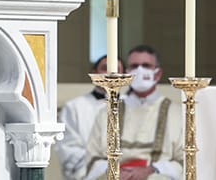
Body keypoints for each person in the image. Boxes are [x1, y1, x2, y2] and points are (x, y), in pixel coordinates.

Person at [84, 45, 183, 180]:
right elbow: (92, 159)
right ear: (127, 72)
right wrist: (115, 170)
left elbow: (185, 161)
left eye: (146, 65)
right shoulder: (107, 113)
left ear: (158, 73)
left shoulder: (177, 114)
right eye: (134, 66)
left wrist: (152, 169)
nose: (140, 70)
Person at [55, 55, 123, 180]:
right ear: (94, 73)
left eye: (117, 70)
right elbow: (68, 150)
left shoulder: (132, 108)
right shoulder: (74, 108)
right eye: (105, 68)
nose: (110, 74)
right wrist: (105, 168)